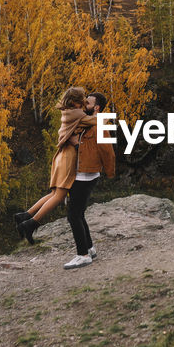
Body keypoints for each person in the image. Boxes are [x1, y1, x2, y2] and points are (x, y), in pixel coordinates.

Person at [15, 86, 95, 246]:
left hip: (62, 156)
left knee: (54, 193)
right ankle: (30, 224)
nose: (83, 103)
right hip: (68, 157)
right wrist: (93, 109)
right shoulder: (77, 113)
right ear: (75, 102)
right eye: (82, 101)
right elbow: (97, 122)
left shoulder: (68, 111)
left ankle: (25, 215)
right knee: (60, 196)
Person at [62, 92, 116, 268]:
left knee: (73, 215)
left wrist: (110, 173)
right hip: (80, 172)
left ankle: (83, 255)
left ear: (96, 107)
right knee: (79, 213)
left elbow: (107, 150)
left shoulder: (99, 125)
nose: (84, 103)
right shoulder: (84, 122)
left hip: (86, 174)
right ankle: (90, 248)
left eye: (88, 102)